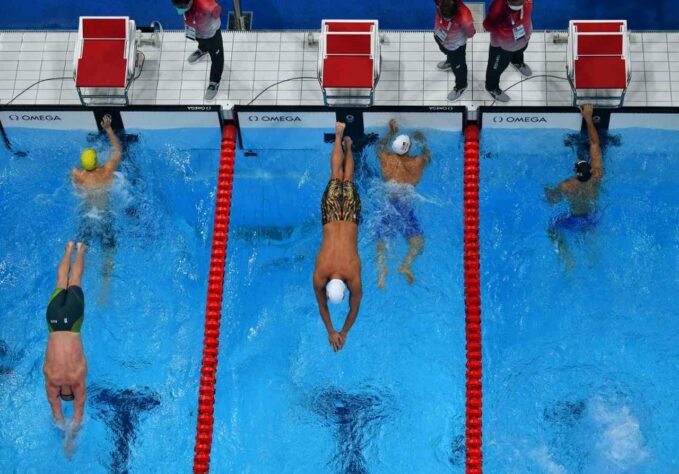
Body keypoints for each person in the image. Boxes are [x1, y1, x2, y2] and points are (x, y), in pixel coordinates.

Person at [313, 122, 363, 353]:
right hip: (331, 216)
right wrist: (333, 330)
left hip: (350, 217)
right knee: (336, 176)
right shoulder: (320, 273)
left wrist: (341, 332)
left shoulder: (353, 274)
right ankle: (339, 136)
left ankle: (349, 146)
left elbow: (355, 308)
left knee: (348, 178)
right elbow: (322, 304)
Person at [544, 105, 604, 270]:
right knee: (587, 233)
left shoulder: (567, 185)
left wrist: (548, 190)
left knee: (551, 228)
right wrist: (588, 117)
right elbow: (594, 143)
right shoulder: (597, 176)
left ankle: (567, 260)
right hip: (593, 218)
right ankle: (593, 260)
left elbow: (552, 200)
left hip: (574, 220)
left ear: (576, 172)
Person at [375, 119, 431, 288]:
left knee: (381, 241)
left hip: (388, 204)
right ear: (408, 148)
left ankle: (381, 271)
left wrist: (391, 132)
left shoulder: (386, 159)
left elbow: (379, 148)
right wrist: (421, 140)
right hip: (404, 208)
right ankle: (405, 264)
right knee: (418, 244)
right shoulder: (417, 162)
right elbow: (428, 156)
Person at [71, 114, 121, 303]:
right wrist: (108, 130)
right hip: (105, 216)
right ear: (97, 161)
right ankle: (104, 291)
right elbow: (117, 151)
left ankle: (76, 282)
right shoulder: (107, 172)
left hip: (87, 216)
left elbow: (73, 179)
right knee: (108, 252)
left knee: (81, 250)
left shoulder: (78, 175)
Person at [43, 242, 88, 431]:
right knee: (61, 280)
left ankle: (80, 249)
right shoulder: (50, 378)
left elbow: (78, 412)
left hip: (73, 321)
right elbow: (56, 411)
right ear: (61, 391)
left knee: (75, 278)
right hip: (53, 320)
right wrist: (65, 434)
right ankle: (68, 248)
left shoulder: (78, 378)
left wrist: (71, 435)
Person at [483, 0, 533, 102]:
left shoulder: (528, 2)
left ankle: (517, 62)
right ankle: (491, 87)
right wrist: (505, 32)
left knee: (520, 51)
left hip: (523, 36)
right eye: (514, 4)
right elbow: (487, 26)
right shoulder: (497, 10)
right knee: (495, 68)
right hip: (502, 46)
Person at [172, 0, 224, 100]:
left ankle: (214, 82)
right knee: (201, 41)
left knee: (217, 58)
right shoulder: (181, 4)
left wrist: (208, 14)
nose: (180, 9)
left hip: (211, 33)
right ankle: (203, 49)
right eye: (178, 6)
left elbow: (217, 11)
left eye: (183, 6)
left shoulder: (206, 4)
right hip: (194, 29)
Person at [433, 0, 476, 101]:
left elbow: (471, 33)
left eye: (448, 18)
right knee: (446, 51)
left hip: (456, 46)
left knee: (459, 67)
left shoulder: (465, 17)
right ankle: (450, 62)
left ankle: (461, 86)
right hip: (440, 36)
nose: (445, 20)